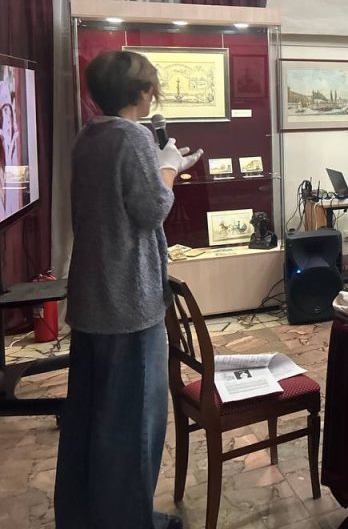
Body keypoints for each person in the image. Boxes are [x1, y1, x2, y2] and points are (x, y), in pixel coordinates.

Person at [55, 50, 203, 529]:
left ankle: (85, 516)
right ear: (143, 92)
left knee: (89, 418)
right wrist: (170, 166)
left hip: (92, 295)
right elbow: (152, 209)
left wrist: (163, 164)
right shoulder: (133, 136)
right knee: (134, 424)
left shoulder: (89, 135)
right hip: (128, 299)